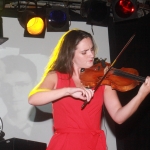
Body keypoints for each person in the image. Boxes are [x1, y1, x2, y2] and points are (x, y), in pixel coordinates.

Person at [28, 29, 150, 150]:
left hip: (94, 144)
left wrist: (141, 95)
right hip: (66, 143)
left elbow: (119, 117)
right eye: (84, 52)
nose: (91, 55)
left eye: (91, 49)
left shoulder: (103, 80)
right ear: (70, 54)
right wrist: (68, 91)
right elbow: (34, 98)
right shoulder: (56, 76)